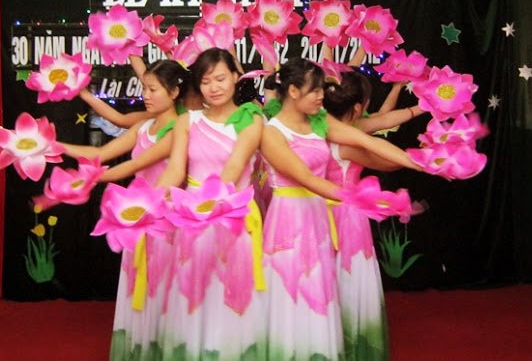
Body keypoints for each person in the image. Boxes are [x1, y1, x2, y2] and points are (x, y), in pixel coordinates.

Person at [260, 57, 424, 360]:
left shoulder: (319, 121)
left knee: (322, 294)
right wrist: (358, 199)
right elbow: (307, 179)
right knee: (294, 292)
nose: (322, 96)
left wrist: (421, 163)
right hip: (289, 220)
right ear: (293, 91)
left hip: (318, 219)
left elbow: (366, 141)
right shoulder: (271, 132)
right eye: (315, 90)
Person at [62, 59, 189, 360]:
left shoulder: (179, 129)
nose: (146, 95)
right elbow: (100, 153)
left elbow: (133, 165)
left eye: (153, 89)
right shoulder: (144, 127)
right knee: (140, 284)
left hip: (164, 215)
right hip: (136, 216)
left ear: (174, 92)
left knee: (163, 287)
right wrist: (55, 147)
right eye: (145, 88)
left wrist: (88, 178)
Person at [157, 48, 266, 359]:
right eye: (205, 82)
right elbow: (175, 170)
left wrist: (209, 206)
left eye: (220, 79)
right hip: (192, 219)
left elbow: (235, 166)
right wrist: (153, 201)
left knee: (232, 292)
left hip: (233, 215)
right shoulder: (187, 121)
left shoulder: (251, 118)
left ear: (235, 76)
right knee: (194, 291)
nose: (214, 88)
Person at [323, 70, 424, 361]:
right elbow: (384, 162)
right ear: (357, 107)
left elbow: (384, 119)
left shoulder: (324, 126)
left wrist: (424, 106)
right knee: (348, 279)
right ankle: (347, 342)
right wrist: (422, 158)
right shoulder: (347, 142)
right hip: (345, 216)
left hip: (320, 211)